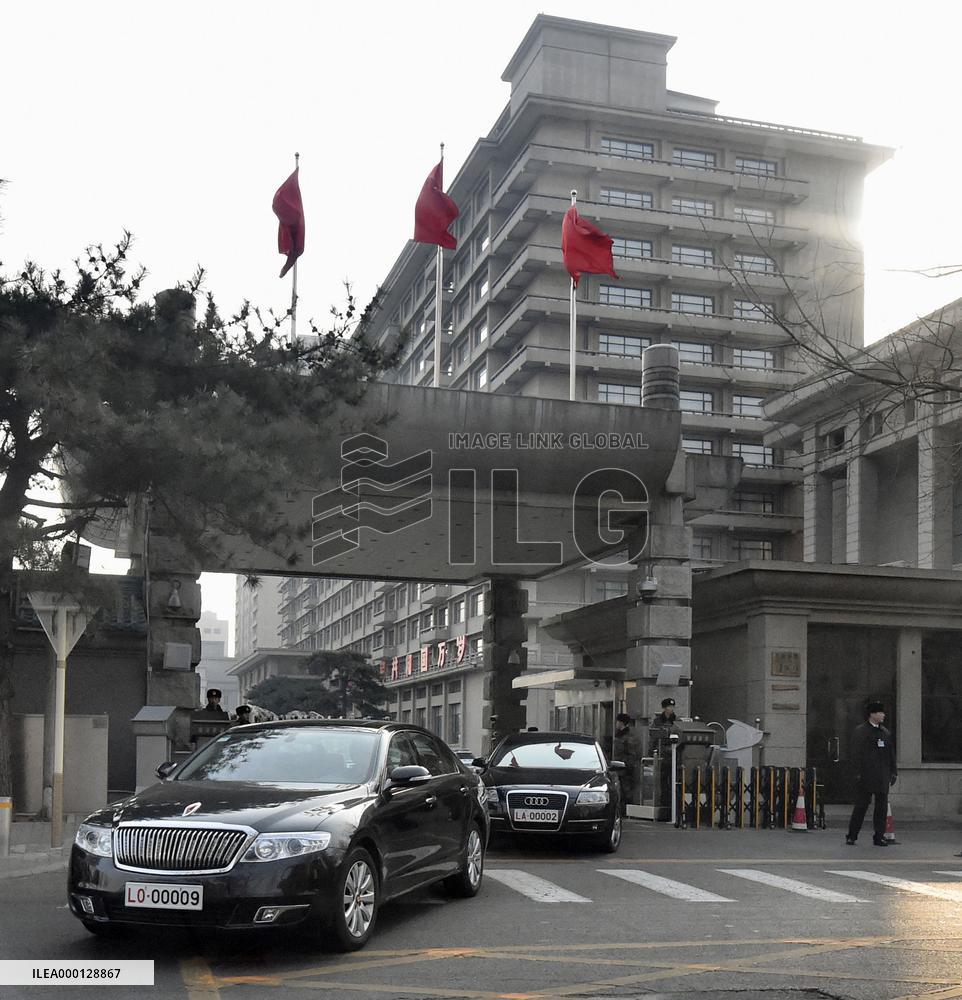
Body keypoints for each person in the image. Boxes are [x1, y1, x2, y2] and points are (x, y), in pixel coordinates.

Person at [846, 698, 897, 847]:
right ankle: (852, 835)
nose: (883, 715)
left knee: (881, 808)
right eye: (880, 712)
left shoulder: (885, 733)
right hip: (866, 775)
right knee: (861, 806)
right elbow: (855, 754)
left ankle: (879, 836)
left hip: (882, 776)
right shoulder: (861, 731)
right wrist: (857, 773)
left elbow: (890, 754)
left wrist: (893, 772)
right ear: (872, 714)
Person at [612, 713, 641, 815]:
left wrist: (626, 765)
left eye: (618, 721)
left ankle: (626, 812)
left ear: (621, 723)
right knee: (621, 792)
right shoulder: (619, 735)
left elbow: (633, 755)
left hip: (626, 770)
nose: (616, 724)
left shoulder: (629, 737)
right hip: (619, 769)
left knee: (626, 792)